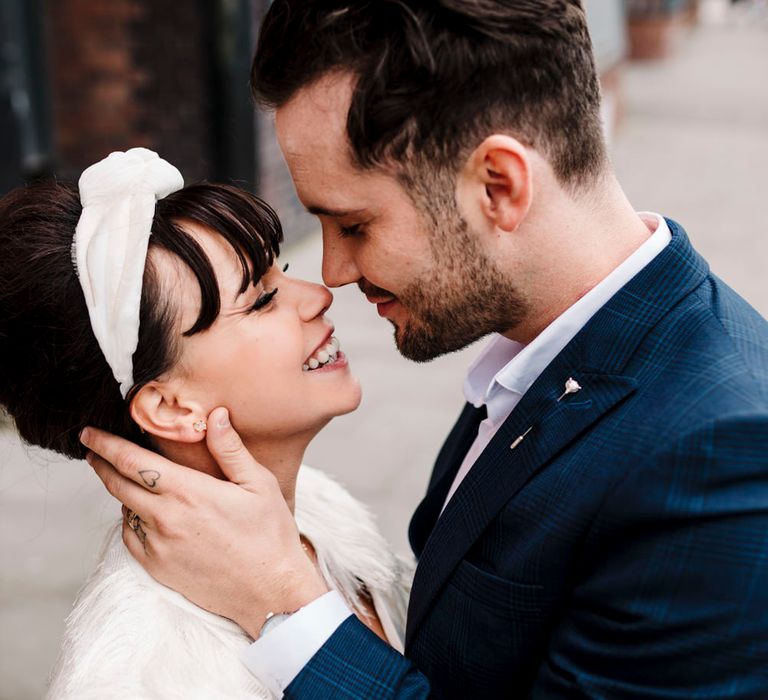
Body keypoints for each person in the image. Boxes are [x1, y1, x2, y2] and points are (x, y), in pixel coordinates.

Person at [81, 2, 768, 698]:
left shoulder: (719, 459)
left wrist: (284, 600)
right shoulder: (536, 359)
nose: (334, 275)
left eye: (353, 223)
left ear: (498, 186)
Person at [0, 148, 411, 699]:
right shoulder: (140, 678)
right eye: (262, 300)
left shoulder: (317, 509)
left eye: (281, 271)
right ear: (171, 407)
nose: (317, 296)